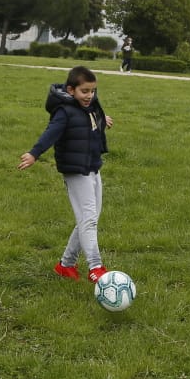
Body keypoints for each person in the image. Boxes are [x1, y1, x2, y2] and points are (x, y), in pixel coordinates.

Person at [18, 65, 114, 283]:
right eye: (85, 91)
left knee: (90, 219)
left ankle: (65, 265)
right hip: (75, 171)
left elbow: (89, 122)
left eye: (92, 91)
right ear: (71, 90)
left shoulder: (90, 106)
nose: (90, 95)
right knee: (88, 219)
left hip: (92, 167)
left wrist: (102, 120)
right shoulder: (64, 111)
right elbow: (50, 133)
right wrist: (34, 154)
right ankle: (96, 267)